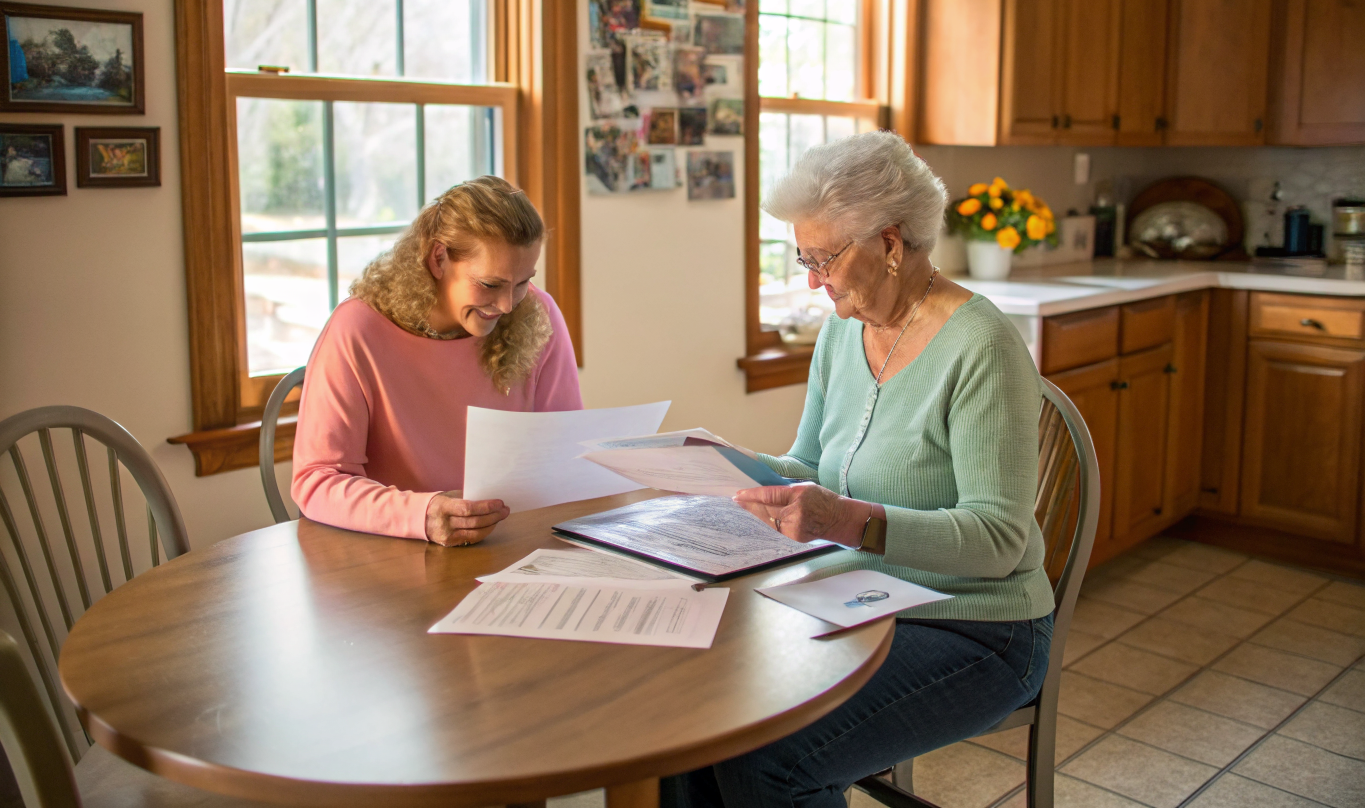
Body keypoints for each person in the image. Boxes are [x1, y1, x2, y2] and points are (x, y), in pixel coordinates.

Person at [663, 132, 1054, 808]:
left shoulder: (981, 345)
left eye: (823, 259)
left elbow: (998, 541)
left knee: (771, 759)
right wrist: (727, 466)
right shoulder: (844, 330)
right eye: (804, 258)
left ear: (890, 242)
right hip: (860, 596)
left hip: (977, 626)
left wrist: (847, 522)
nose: (812, 280)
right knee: (695, 714)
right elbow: (811, 465)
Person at [292, 177, 581, 546]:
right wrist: (423, 515)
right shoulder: (358, 330)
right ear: (438, 258)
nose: (508, 305)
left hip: (509, 545)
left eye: (523, 282)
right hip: (390, 553)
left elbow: (567, 452)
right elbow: (316, 481)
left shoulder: (539, 316)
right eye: (490, 285)